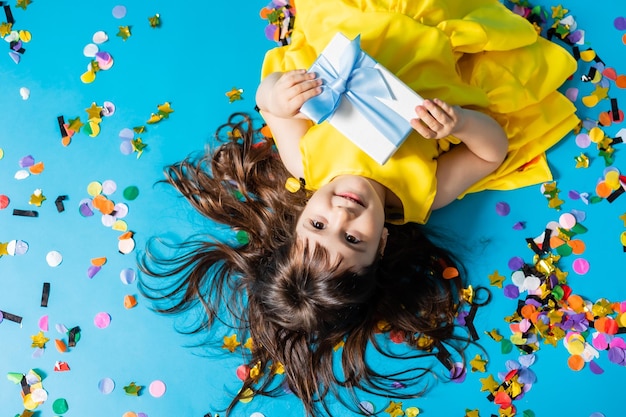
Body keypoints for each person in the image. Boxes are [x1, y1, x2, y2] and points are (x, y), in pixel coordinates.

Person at [140, 0, 580, 415]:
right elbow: (492, 154)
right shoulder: (420, 195)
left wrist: (277, 97)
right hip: (430, 22)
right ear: (382, 243)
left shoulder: (305, 162)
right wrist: (461, 123)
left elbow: (268, 102)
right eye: (353, 239)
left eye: (318, 223)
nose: (341, 213)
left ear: (298, 221)